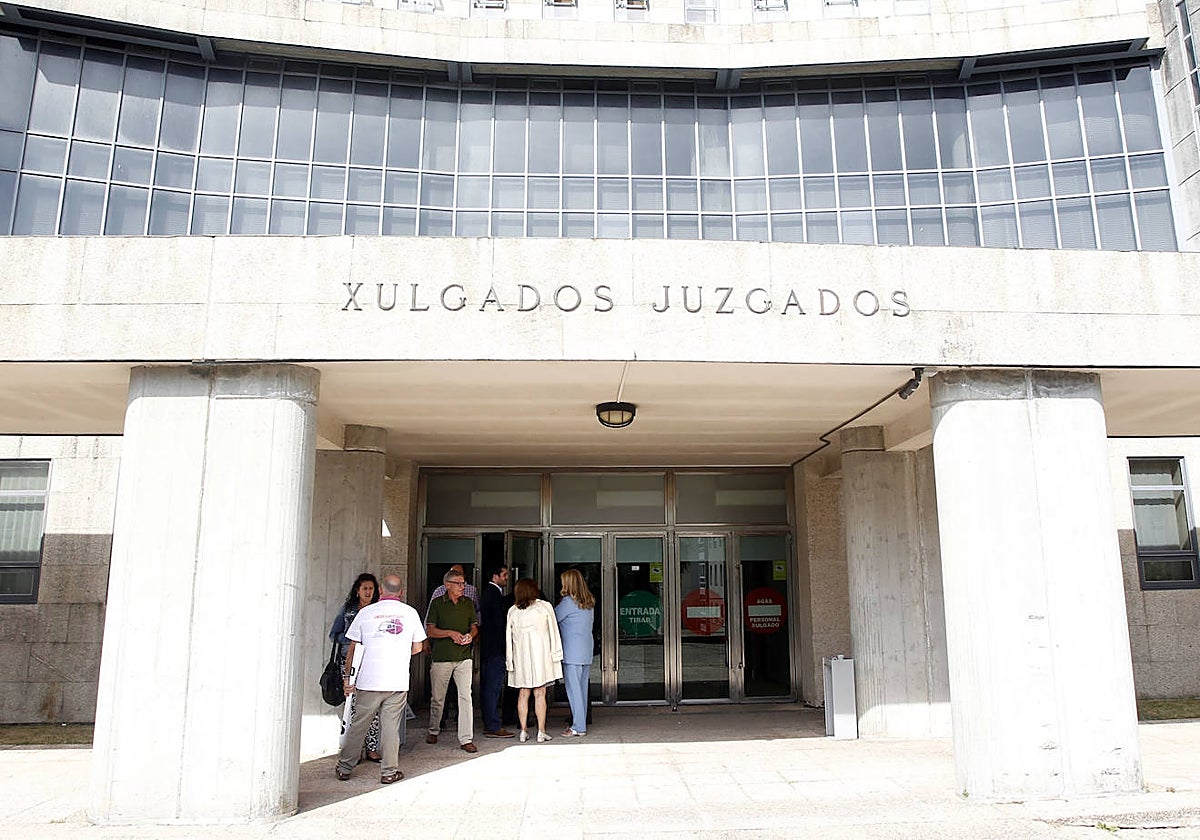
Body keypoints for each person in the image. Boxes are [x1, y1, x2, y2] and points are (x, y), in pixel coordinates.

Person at [334, 575, 426, 784]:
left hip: (369, 680)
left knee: (359, 724)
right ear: (401, 592)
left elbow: (352, 649)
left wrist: (348, 678)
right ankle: (389, 772)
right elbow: (418, 647)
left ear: (381, 591)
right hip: (397, 680)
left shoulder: (365, 613)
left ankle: (345, 767)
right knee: (391, 727)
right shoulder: (410, 613)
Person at [329, 572, 382, 761]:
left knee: (373, 706)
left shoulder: (378, 610)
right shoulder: (348, 610)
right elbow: (334, 635)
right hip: (349, 661)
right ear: (357, 591)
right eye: (364, 588)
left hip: (371, 662)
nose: (368, 592)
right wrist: (353, 639)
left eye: (371, 588)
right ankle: (354, 750)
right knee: (352, 706)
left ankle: (371, 747)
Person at [425, 568, 479, 753]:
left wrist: (471, 635)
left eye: (463, 583)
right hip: (442, 657)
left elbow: (474, 627)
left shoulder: (468, 603)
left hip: (464, 657)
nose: (462, 587)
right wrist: (450, 633)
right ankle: (433, 729)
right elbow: (430, 630)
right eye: (459, 583)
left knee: (465, 697)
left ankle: (466, 738)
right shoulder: (437, 603)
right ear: (447, 585)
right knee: (438, 697)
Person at [506, 577, 563, 743]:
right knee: (540, 693)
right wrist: (557, 654)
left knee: (523, 692)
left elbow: (508, 638)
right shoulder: (544, 607)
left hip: (521, 657)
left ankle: (523, 731)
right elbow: (554, 631)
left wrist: (510, 661)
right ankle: (541, 731)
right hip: (541, 656)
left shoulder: (513, 611)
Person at [555, 568, 595, 738]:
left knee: (574, 691)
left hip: (572, 652)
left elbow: (552, 618)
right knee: (582, 689)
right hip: (586, 650)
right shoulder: (588, 602)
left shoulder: (567, 603)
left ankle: (578, 726)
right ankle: (581, 722)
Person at [480, 565, 515, 738]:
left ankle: (490, 722)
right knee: (492, 688)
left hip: (490, 648)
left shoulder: (492, 594)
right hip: (495, 649)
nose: (507, 577)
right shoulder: (493, 594)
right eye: (504, 574)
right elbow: (498, 625)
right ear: (495, 576)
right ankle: (492, 725)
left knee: (490, 687)